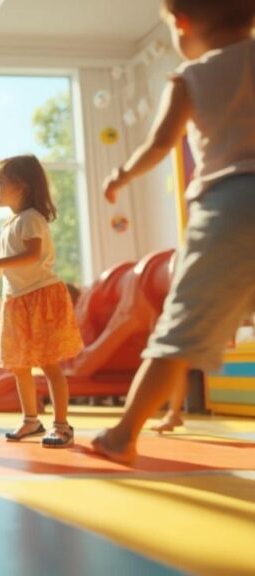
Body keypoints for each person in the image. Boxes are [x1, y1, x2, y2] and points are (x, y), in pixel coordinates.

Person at [92, 0, 255, 463]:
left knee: (178, 333)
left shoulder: (190, 78)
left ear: (182, 24)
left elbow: (160, 144)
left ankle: (124, 435)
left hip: (225, 207)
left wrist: (120, 175)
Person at [0, 155, 84, 448]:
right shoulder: (11, 223)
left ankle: (62, 425)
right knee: (19, 365)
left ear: (20, 186)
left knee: (49, 364)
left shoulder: (32, 219)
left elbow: (32, 256)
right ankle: (31, 419)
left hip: (40, 296)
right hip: (16, 300)